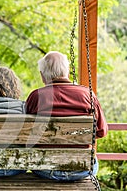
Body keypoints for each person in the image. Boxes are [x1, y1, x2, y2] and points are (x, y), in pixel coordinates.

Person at [25, 51, 108, 181]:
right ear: (67, 72)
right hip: (82, 168)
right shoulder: (88, 95)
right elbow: (101, 131)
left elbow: (26, 134)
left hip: (45, 168)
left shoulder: (36, 97)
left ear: (42, 76)